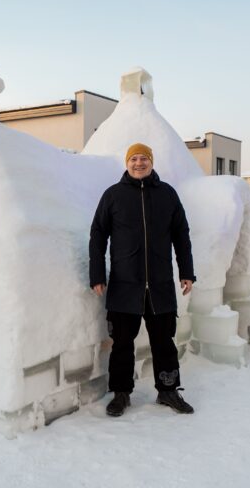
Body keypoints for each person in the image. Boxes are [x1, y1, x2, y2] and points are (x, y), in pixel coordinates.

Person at [89, 143, 196, 417]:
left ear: (151, 162)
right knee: (122, 343)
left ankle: (168, 390)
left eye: (144, 159)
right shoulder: (113, 195)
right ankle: (121, 393)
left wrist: (186, 271)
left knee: (164, 341)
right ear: (127, 163)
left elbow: (181, 235)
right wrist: (97, 275)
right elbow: (98, 235)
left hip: (159, 285)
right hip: (125, 286)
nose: (139, 163)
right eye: (134, 159)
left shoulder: (167, 195)